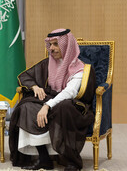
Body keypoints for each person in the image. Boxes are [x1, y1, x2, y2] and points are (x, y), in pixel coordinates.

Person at [9, 29, 96, 171]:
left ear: (67, 46)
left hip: (73, 107)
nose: (52, 48)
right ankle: (44, 159)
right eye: (50, 44)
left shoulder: (80, 69)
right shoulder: (48, 63)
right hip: (51, 101)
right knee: (26, 106)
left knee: (64, 107)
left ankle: (71, 161)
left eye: (56, 44)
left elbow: (69, 92)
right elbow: (25, 76)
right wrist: (35, 86)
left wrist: (46, 106)